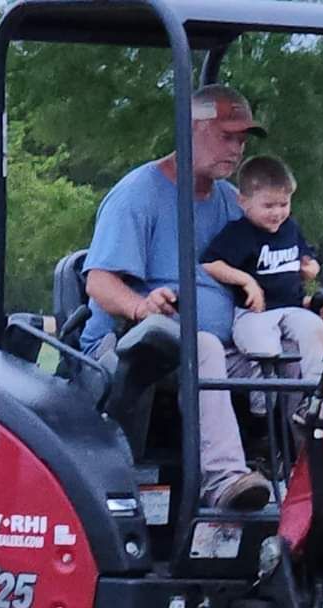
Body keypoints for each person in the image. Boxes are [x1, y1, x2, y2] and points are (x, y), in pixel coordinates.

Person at [79, 84, 276, 510]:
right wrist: (141, 306)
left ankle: (296, 472)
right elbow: (99, 282)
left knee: (287, 346)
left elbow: (260, 272)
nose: (237, 149)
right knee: (199, 343)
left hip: (215, 349)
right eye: (227, 136)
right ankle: (223, 479)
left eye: (242, 140)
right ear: (191, 129)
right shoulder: (138, 195)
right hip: (132, 347)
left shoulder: (227, 200)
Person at [200, 156, 323, 415]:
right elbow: (210, 263)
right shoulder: (240, 233)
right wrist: (246, 280)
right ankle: (263, 411)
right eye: (268, 205)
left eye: (284, 204)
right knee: (263, 346)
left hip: (291, 307)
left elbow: (307, 259)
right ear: (243, 201)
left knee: (314, 331)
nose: (277, 213)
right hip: (255, 313)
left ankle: (315, 393)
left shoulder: (290, 228)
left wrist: (311, 268)